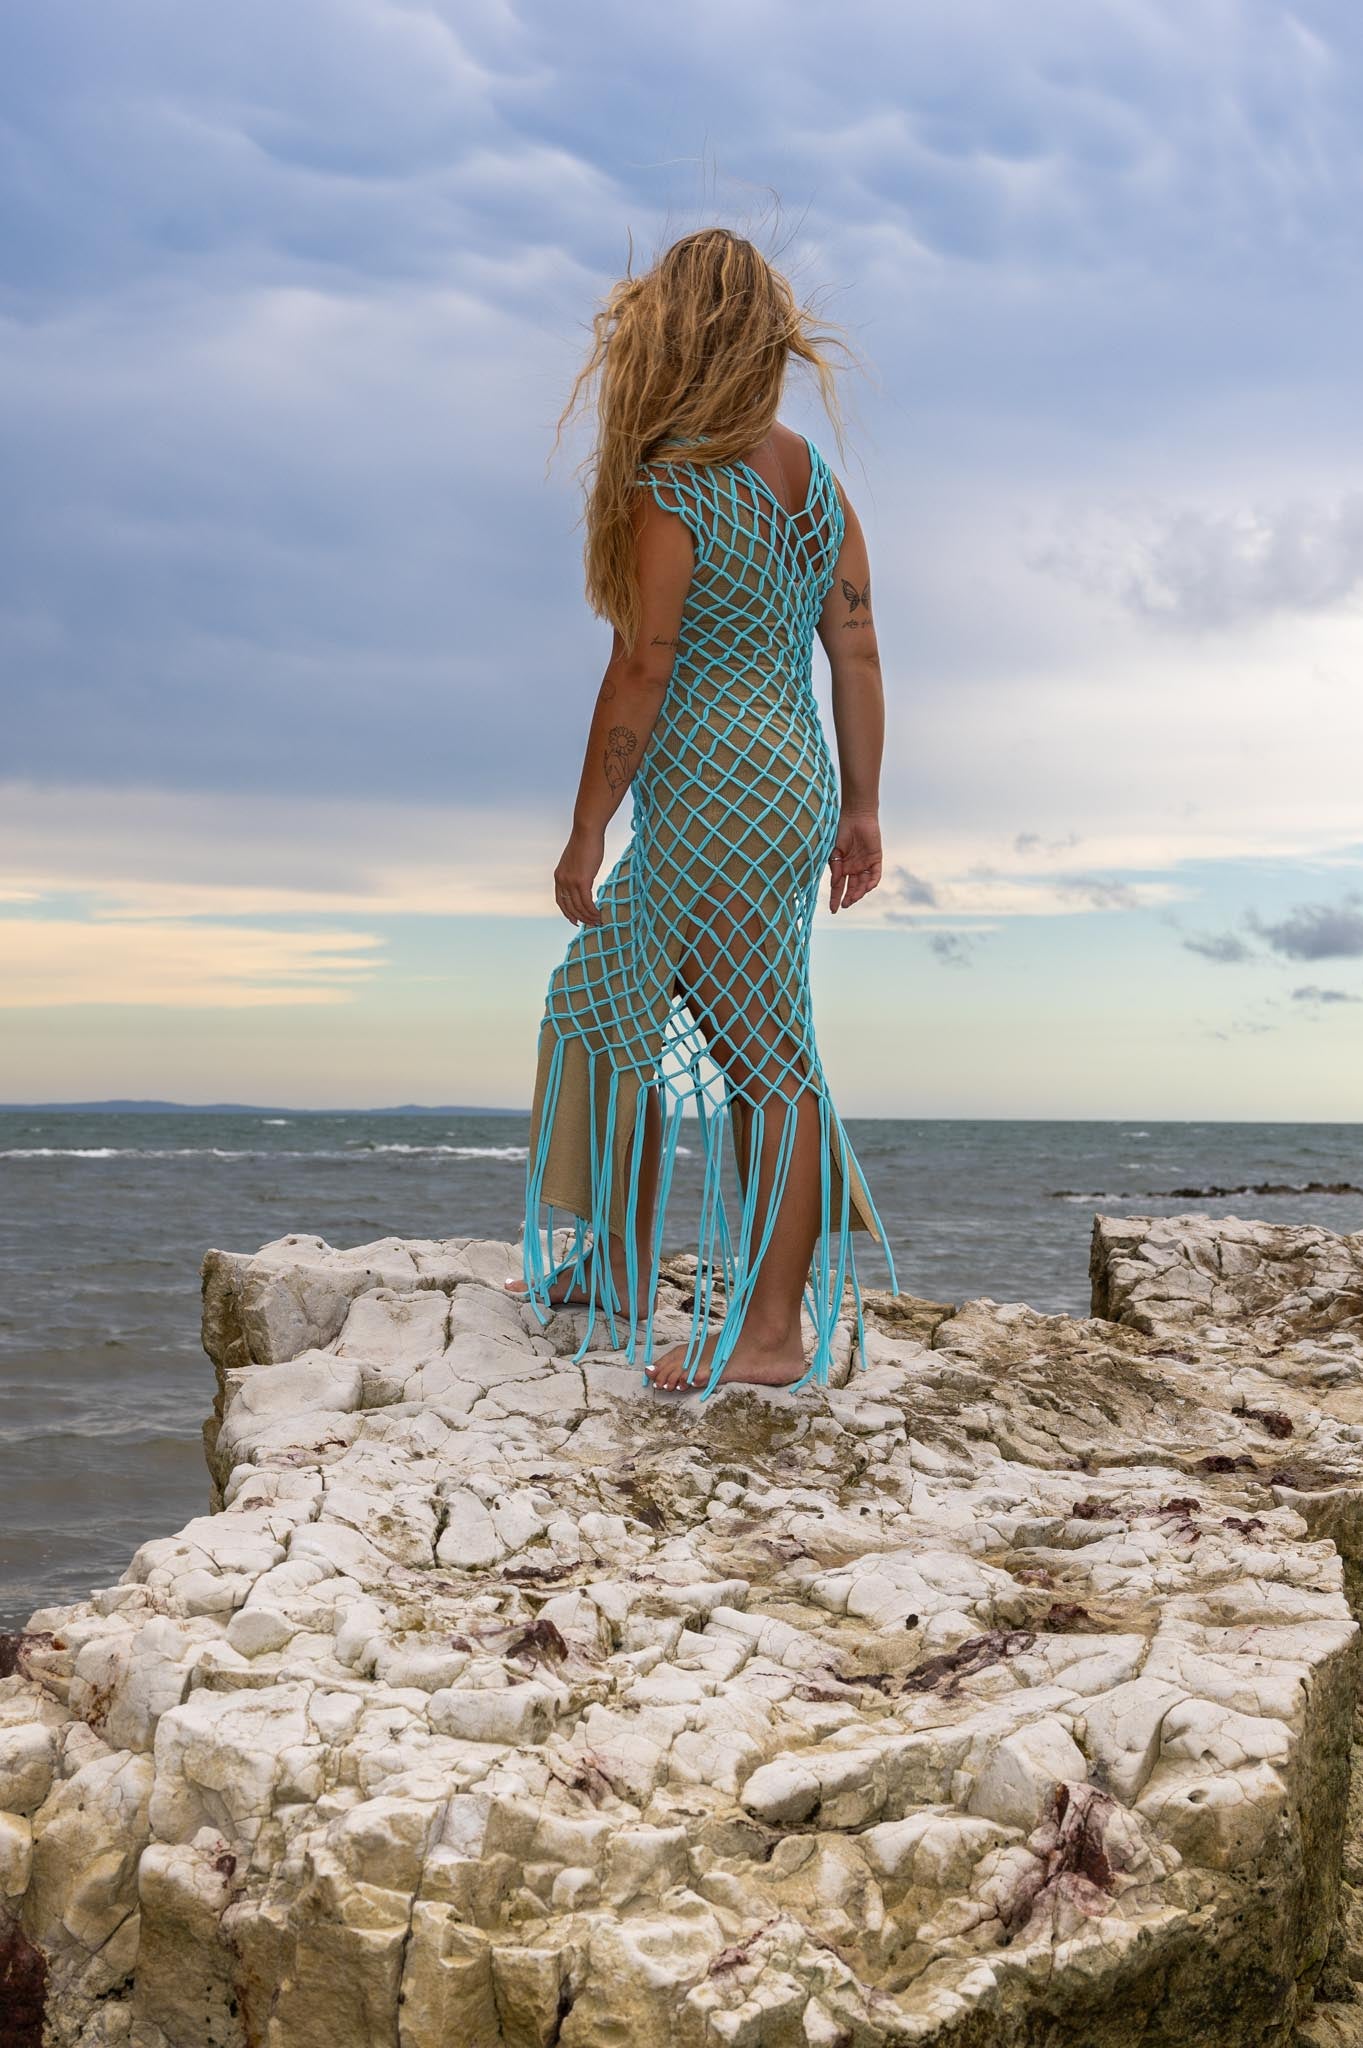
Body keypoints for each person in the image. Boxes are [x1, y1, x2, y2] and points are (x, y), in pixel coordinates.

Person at [505, 226, 897, 1400]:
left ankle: (775, 1330)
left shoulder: (673, 482)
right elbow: (860, 651)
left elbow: (641, 670)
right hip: (784, 777)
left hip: (720, 787)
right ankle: (622, 1258)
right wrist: (861, 804)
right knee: (604, 992)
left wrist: (585, 826)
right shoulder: (809, 480)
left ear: (673, 338)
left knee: (764, 1057)